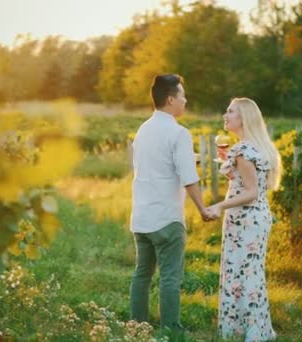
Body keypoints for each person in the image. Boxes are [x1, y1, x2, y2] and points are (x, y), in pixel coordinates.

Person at [129, 74, 217, 333]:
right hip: (167, 217)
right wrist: (203, 208)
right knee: (169, 277)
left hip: (142, 217)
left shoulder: (143, 130)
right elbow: (189, 178)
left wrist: (189, 160)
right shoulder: (179, 133)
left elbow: (155, 164)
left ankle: (137, 328)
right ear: (170, 100)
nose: (185, 100)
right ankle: (171, 331)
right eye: (182, 96)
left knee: (141, 274)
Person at [208, 98, 281, 341]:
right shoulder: (253, 147)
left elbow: (250, 192)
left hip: (245, 219)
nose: (225, 115)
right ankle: (255, 329)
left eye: (230, 112)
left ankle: (249, 333)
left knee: (242, 272)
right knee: (249, 272)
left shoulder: (242, 150)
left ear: (244, 118)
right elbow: (247, 182)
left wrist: (219, 205)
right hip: (257, 217)